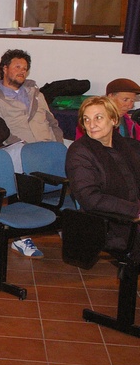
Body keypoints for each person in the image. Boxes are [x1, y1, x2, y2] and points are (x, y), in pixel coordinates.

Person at [66, 95, 140, 257]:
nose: (91, 125)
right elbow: (90, 198)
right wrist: (136, 209)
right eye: (86, 120)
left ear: (113, 120)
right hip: (108, 221)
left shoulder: (126, 145)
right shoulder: (79, 152)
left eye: (98, 118)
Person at [0, 49, 63, 144]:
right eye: (17, 67)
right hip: (21, 151)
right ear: (5, 69)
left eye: (24, 69)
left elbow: (53, 123)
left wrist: (59, 145)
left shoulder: (36, 94)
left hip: (49, 146)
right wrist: (26, 149)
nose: (22, 72)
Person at [75, 78, 140, 141]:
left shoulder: (130, 123)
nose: (130, 106)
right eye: (125, 100)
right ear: (110, 97)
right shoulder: (90, 123)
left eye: (132, 101)